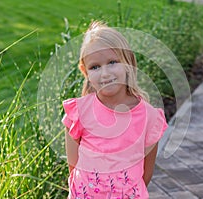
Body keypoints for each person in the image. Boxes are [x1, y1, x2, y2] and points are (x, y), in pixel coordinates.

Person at [62, 21, 168, 199]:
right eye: (95, 67)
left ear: (128, 63)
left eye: (112, 62)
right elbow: (73, 167)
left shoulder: (149, 117)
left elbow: (145, 175)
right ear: (85, 71)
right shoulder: (78, 112)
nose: (105, 73)